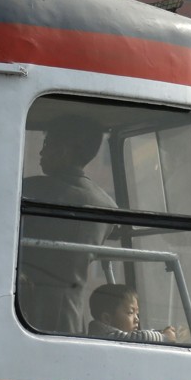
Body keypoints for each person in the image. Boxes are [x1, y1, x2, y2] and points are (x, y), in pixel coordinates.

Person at [19, 116, 116, 334]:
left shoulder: (29, 191)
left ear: (64, 151)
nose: (41, 153)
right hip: (72, 313)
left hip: (25, 309)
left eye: (47, 144)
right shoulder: (107, 204)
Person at [86, 283, 177, 343]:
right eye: (130, 313)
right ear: (107, 319)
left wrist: (159, 332)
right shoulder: (107, 336)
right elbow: (139, 337)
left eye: (137, 313)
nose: (137, 319)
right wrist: (164, 337)